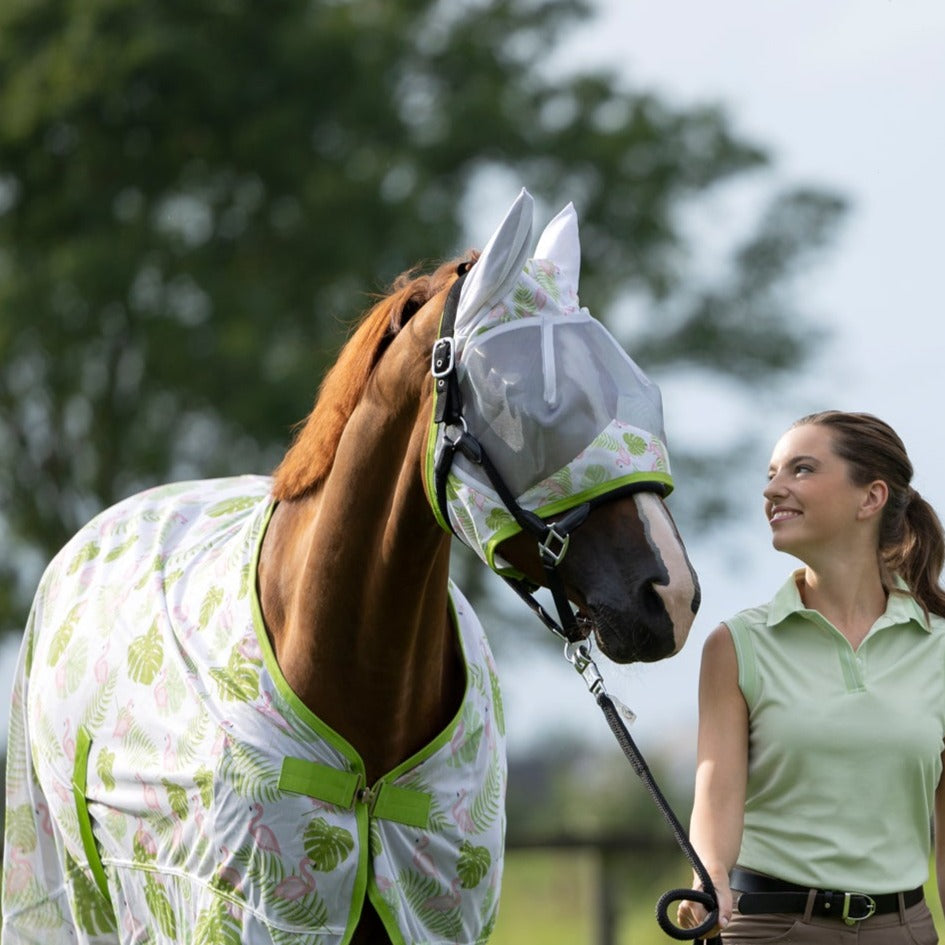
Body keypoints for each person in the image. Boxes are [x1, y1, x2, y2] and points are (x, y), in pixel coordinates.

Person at [677, 410, 945, 943]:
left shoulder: (939, 646)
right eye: (771, 473)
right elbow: (717, 795)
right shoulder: (736, 646)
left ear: (870, 498)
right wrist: (710, 874)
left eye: (800, 470)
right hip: (767, 928)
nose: (773, 489)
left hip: (906, 931)